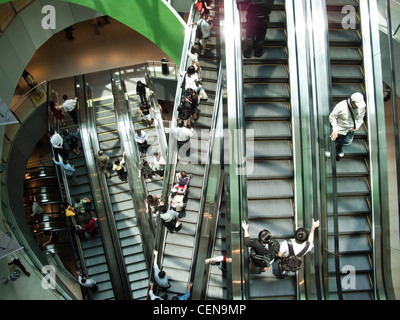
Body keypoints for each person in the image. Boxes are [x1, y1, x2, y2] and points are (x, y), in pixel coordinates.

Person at [329, 92, 366, 160]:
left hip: (350, 129)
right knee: (334, 140)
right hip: (340, 128)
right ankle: (329, 149)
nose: (358, 107)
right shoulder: (341, 106)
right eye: (356, 105)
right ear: (352, 102)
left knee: (346, 142)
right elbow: (332, 117)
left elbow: (361, 117)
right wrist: (335, 129)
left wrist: (358, 125)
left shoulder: (361, 107)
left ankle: (339, 148)